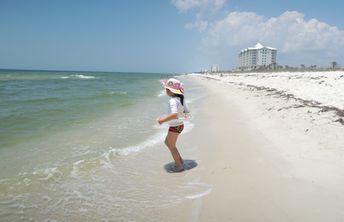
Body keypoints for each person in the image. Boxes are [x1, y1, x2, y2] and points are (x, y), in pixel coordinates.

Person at [158, 78, 190, 172]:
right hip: (179, 125)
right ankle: (180, 160)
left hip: (175, 127)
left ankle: (179, 166)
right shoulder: (180, 99)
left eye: (167, 89)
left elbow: (174, 114)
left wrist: (162, 120)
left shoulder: (173, 101)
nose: (166, 91)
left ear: (172, 91)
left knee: (171, 146)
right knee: (167, 142)